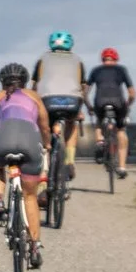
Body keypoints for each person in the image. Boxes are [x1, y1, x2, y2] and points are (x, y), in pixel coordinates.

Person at [0, 61, 46, 269]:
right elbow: (44, 126)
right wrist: (48, 144)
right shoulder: (34, 97)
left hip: (2, 141)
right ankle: (34, 248)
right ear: (23, 81)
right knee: (30, 195)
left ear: (2, 81)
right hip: (30, 143)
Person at [32, 31, 88, 179]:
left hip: (47, 100)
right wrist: (80, 108)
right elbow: (83, 87)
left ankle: (44, 171)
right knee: (71, 123)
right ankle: (69, 161)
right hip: (72, 100)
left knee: (45, 129)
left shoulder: (42, 59)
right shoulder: (78, 60)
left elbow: (35, 85)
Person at [89, 46, 136, 179]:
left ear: (103, 59)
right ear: (116, 59)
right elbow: (132, 93)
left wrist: (88, 106)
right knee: (121, 130)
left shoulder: (95, 70)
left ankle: (99, 141)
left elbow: (85, 91)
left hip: (100, 101)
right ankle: (121, 167)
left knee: (99, 120)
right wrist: (127, 105)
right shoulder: (121, 69)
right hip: (118, 102)